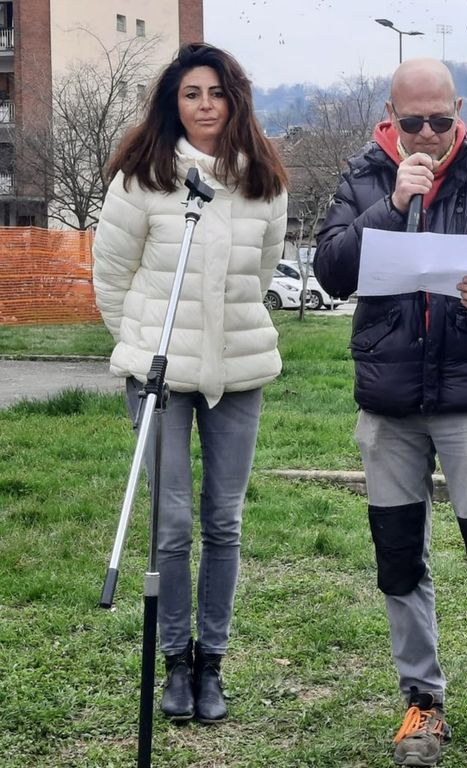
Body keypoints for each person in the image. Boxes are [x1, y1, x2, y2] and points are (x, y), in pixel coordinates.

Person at [315, 58, 467, 768]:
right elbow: (331, 271)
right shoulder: (363, 177)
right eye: (412, 122)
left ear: (458, 110)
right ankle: (422, 704)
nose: (425, 135)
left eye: (439, 121)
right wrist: (390, 206)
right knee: (398, 561)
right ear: (390, 115)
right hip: (389, 405)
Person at [92, 42, 288, 724]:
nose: (206, 105)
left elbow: (261, 273)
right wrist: (141, 345)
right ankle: (176, 660)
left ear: (236, 99)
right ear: (173, 104)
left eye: (216, 93)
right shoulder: (142, 177)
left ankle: (213, 664)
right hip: (159, 375)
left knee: (223, 521)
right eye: (191, 94)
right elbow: (112, 277)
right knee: (171, 522)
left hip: (239, 371)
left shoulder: (264, 179)